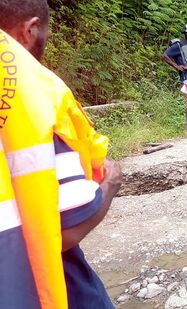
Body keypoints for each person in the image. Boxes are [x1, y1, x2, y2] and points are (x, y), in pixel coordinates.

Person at [0, 0, 122, 308]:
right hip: (43, 288)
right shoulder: (35, 97)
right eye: (46, 31)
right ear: (30, 29)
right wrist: (110, 184)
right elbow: (65, 233)